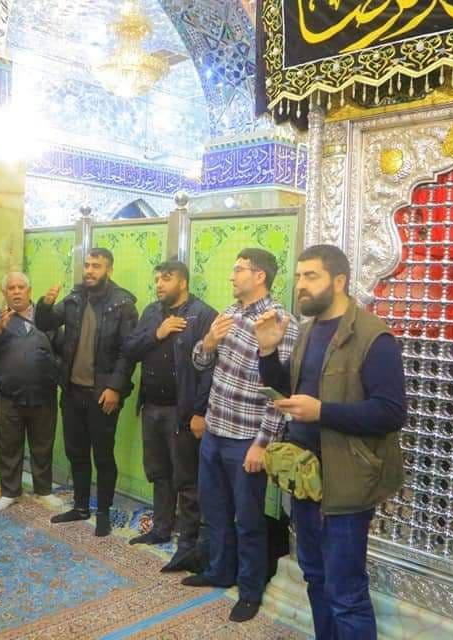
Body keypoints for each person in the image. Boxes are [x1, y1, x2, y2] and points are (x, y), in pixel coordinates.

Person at [255, 244, 406, 639]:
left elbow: (391, 413)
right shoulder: (307, 332)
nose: (300, 285)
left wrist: (322, 412)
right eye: (299, 276)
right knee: (316, 577)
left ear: (339, 281)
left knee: (345, 592)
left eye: (311, 276)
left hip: (347, 482)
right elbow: (290, 392)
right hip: (306, 480)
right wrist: (268, 351)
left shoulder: (374, 337)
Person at [182, 248, 298, 623]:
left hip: (247, 440)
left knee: (248, 521)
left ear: (259, 276)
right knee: (215, 511)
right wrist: (208, 343)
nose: (232, 276)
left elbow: (280, 394)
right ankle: (219, 571)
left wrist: (262, 444)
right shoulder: (229, 313)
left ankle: (249, 591)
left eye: (239, 269)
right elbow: (200, 362)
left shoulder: (279, 321)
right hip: (215, 432)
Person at [121, 260, 217, 572]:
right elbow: (130, 348)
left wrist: (200, 411)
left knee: (186, 480)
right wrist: (158, 333)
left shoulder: (203, 315)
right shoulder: (152, 312)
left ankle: (187, 544)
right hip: (151, 407)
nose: (159, 285)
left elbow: (209, 369)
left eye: (166, 278)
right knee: (159, 472)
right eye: (157, 280)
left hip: (182, 411)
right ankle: (161, 528)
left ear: (183, 282)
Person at [35, 247, 138, 537]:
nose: (90, 271)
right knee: (76, 452)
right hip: (72, 391)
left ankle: (103, 512)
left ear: (109, 270)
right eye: (88, 265)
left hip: (103, 395)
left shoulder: (123, 304)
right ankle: (80, 507)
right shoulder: (75, 297)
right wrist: (45, 304)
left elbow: (128, 352)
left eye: (97, 266)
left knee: (102, 456)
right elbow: (44, 324)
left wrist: (115, 388)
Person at [0, 272, 60, 511]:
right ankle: (10, 492)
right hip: (9, 395)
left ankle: (44, 490)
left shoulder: (45, 318)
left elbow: (64, 348)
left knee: (42, 444)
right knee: (8, 445)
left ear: (29, 291)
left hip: (43, 394)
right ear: (5, 293)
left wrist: (55, 373)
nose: (16, 292)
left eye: (21, 287)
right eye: (11, 288)